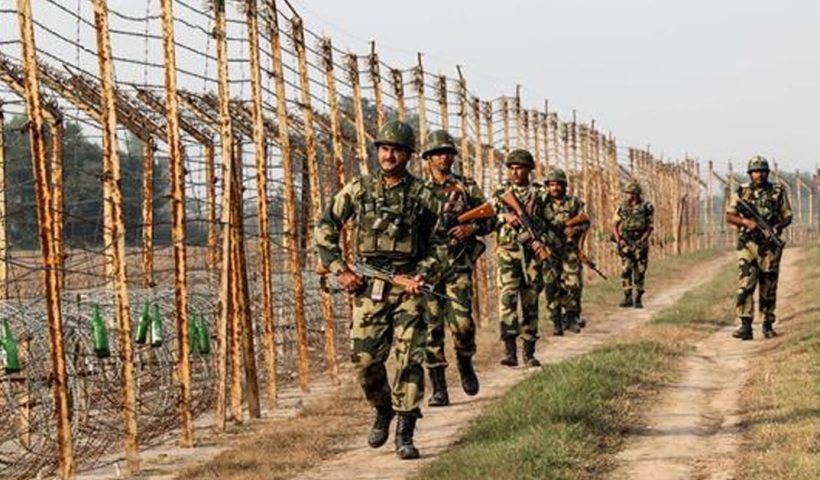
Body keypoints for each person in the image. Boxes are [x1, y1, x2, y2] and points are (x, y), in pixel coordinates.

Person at [315, 120, 447, 459]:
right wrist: (340, 270)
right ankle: (383, 408)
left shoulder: (423, 195)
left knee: (409, 359)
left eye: (396, 150)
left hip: (408, 289)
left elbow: (441, 243)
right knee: (365, 361)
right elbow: (327, 224)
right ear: (378, 152)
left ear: (407, 155)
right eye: (384, 149)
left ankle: (405, 430)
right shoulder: (359, 189)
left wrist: (423, 273)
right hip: (369, 286)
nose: (389, 155)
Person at [421, 130, 492, 407]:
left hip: (457, 264)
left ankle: (465, 361)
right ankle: (438, 387)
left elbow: (490, 218)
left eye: (448, 152)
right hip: (427, 269)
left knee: (462, 324)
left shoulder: (466, 186)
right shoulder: (418, 189)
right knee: (430, 328)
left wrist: (471, 227)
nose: (444, 157)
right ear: (428, 157)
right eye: (438, 152)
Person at [492, 149, 553, 367]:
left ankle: (528, 352)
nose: (515, 172)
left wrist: (540, 240)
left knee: (530, 302)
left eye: (520, 168)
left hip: (532, 257)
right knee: (507, 300)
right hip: (508, 253)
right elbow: (487, 220)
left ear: (529, 170)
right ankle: (509, 351)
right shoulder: (500, 194)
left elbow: (551, 225)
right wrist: (504, 217)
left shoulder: (541, 195)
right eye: (512, 168)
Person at [725, 155, 792, 340]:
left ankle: (767, 324)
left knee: (768, 285)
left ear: (767, 173)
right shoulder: (741, 192)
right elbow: (730, 216)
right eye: (755, 171)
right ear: (750, 173)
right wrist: (746, 222)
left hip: (769, 246)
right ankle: (745, 325)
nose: (759, 175)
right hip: (747, 244)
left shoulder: (778, 191)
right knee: (746, 283)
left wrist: (777, 227)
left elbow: (787, 215)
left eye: (762, 171)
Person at [542, 169, 589, 334]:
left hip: (569, 250)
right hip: (549, 251)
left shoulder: (574, 203)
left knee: (573, 284)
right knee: (551, 286)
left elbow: (585, 222)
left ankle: (571, 319)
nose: (555, 188)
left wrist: (574, 230)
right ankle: (556, 321)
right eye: (552, 185)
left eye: (558, 185)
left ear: (564, 186)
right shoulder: (542, 203)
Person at [612, 180, 654, 308]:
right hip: (626, 241)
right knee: (626, 270)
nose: (626, 195)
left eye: (629, 193)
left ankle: (638, 297)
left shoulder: (646, 207)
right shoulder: (622, 207)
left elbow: (650, 226)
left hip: (640, 242)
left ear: (635, 194)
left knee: (640, 271)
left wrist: (643, 239)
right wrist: (619, 239)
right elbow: (615, 225)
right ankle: (627, 296)